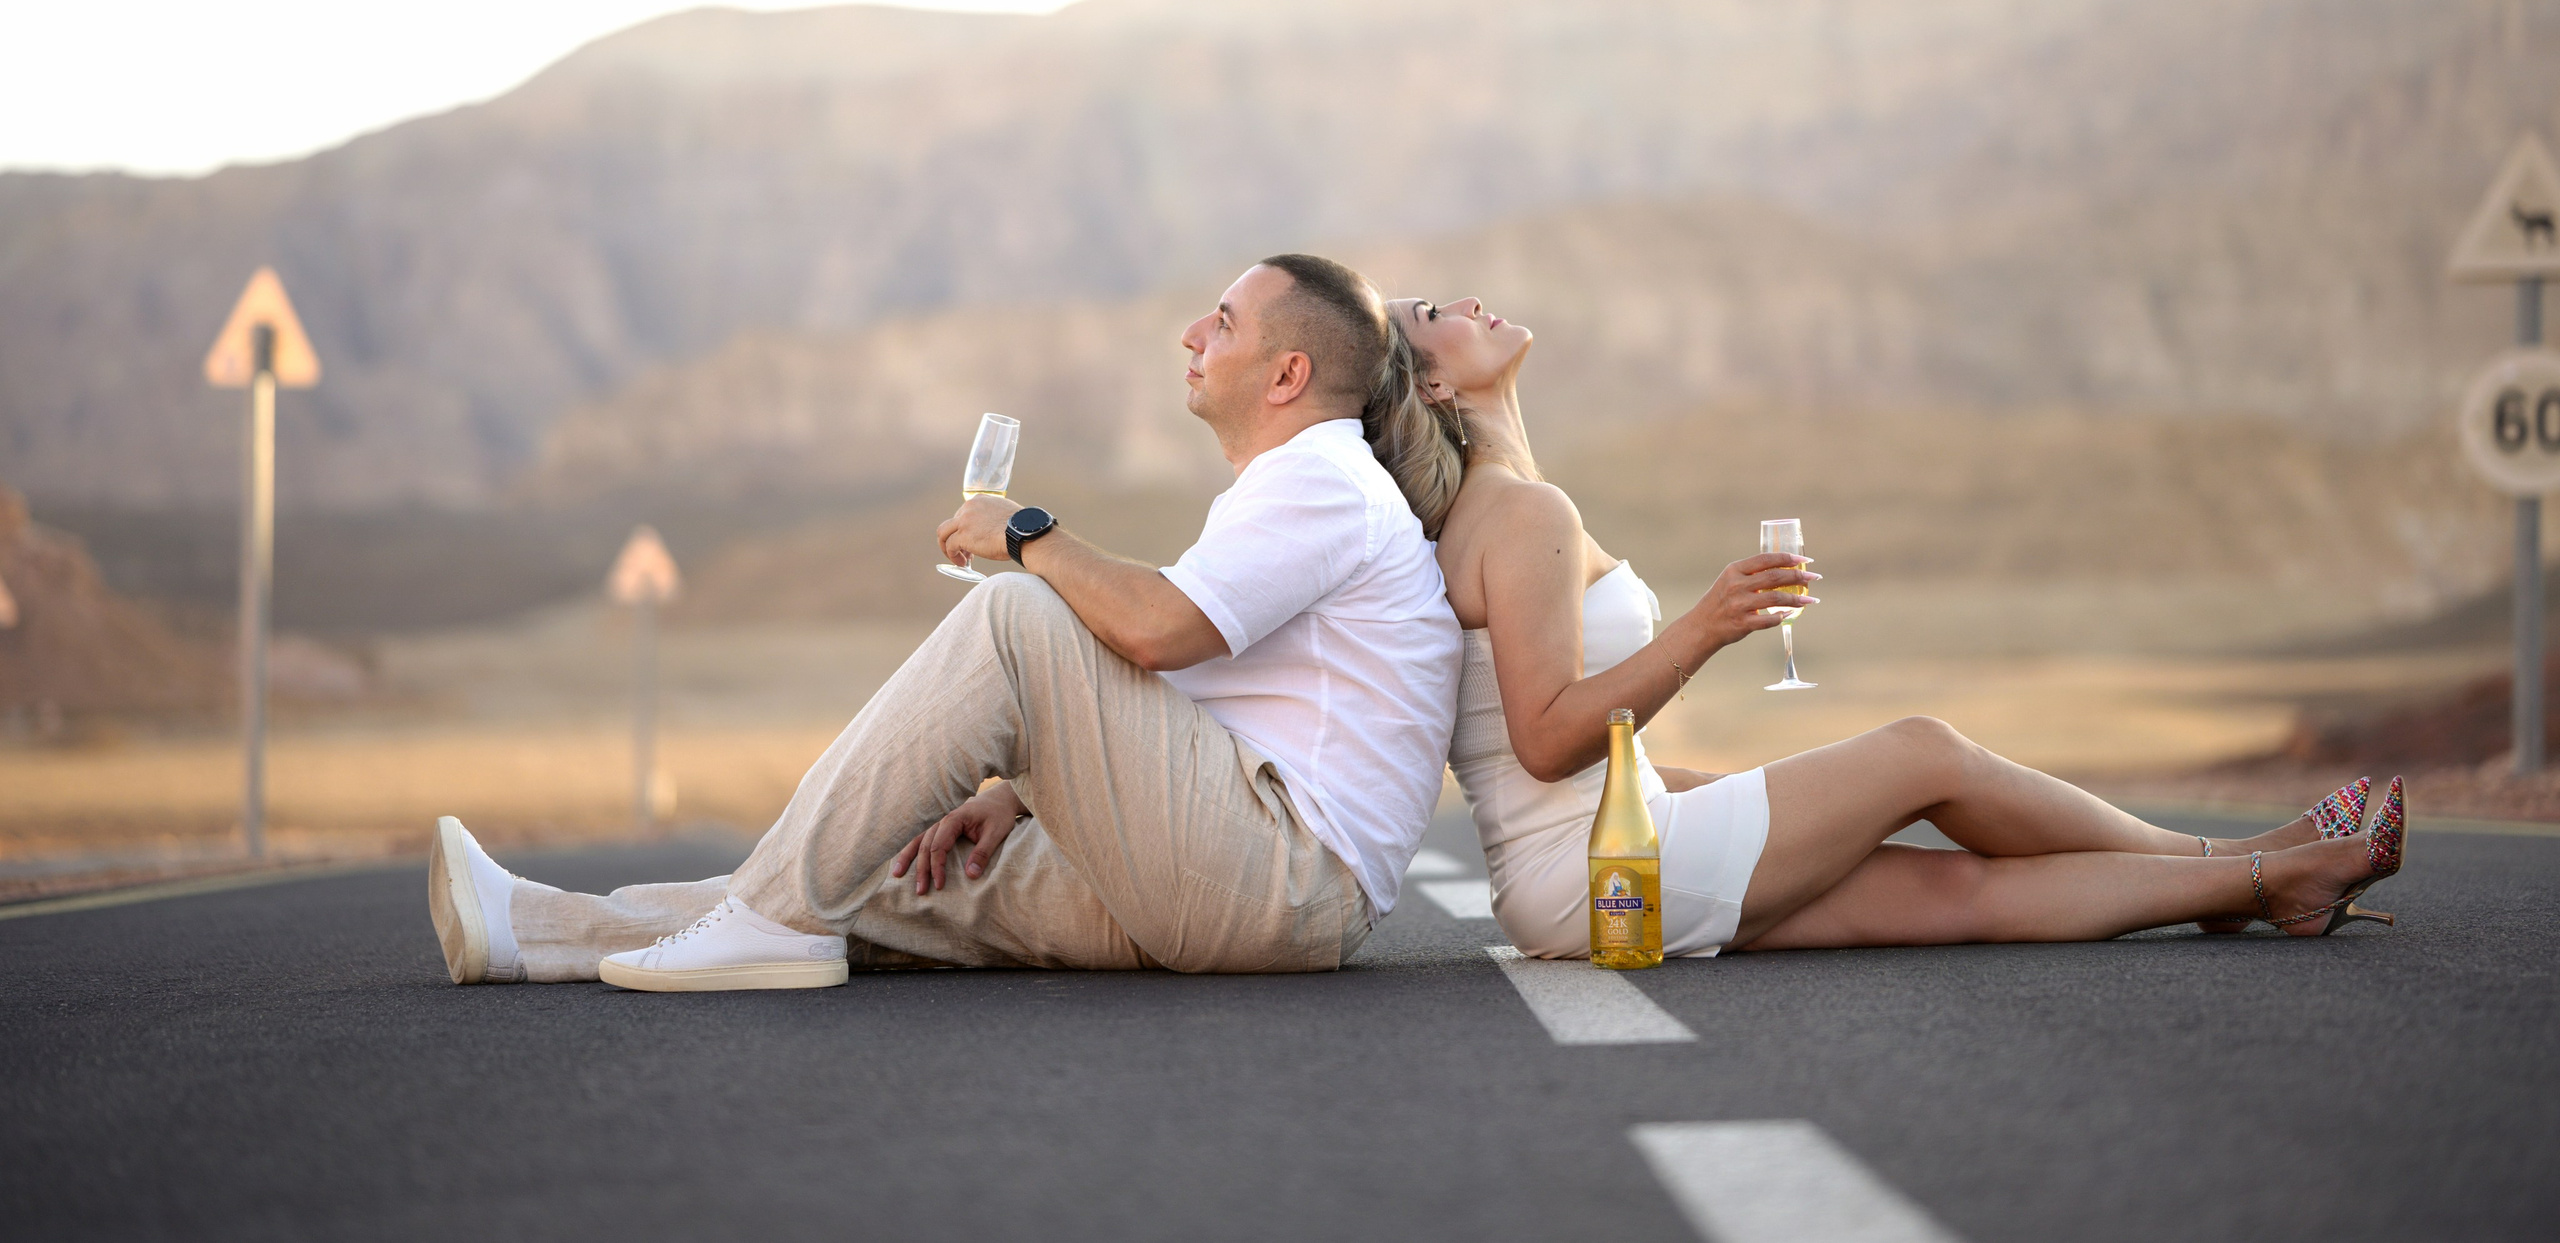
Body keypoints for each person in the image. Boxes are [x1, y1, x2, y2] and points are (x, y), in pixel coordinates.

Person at [425, 254, 1461, 988]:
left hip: (1278, 879)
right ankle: (529, 931)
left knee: (1017, 615)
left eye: (1224, 323)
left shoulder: (1324, 477)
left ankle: (770, 924)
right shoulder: (1293, 488)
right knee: (862, 871)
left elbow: (1157, 631)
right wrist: (1018, 791)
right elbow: (1199, 682)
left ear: (1288, 375)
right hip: (1226, 876)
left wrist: (1029, 535)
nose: (1191, 335)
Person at [1366, 292, 2405, 959]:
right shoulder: (1521, 513)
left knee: (1960, 893)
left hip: (1586, 874)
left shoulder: (1502, 509)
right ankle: (2239, 865)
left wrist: (1693, 782)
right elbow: (1547, 740)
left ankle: (2252, 880)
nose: (1467, 299)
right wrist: (1706, 627)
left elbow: (1524, 754)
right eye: (1433, 313)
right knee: (1924, 751)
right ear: (1435, 382)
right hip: (1602, 872)